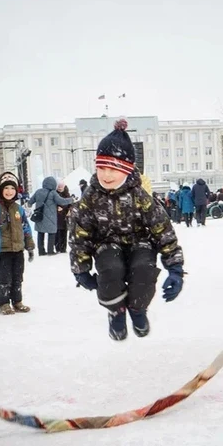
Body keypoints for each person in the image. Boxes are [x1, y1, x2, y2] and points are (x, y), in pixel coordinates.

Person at [69, 119, 185, 340]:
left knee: (143, 268)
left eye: (113, 169)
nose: (106, 175)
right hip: (106, 246)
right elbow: (79, 234)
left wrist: (175, 268)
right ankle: (116, 311)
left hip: (140, 244)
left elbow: (163, 231)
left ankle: (137, 309)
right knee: (111, 267)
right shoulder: (90, 198)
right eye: (102, 167)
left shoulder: (140, 196)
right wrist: (81, 269)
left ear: (127, 169)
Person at [0, 171, 35, 314]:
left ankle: (17, 301)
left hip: (18, 250)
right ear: (0, 189)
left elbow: (26, 227)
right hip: (3, 251)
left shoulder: (19, 209)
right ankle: (3, 303)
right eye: (6, 188)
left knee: (18, 277)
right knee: (5, 278)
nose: (9, 191)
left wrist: (29, 246)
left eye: (12, 188)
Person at [30, 176, 73, 255]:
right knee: (51, 233)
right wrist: (71, 199)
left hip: (40, 216)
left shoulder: (38, 192)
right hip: (51, 217)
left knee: (40, 233)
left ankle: (41, 251)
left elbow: (30, 201)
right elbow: (62, 201)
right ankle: (50, 251)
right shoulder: (53, 193)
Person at [55, 182, 73, 253]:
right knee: (57, 232)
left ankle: (63, 248)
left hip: (65, 216)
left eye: (61, 187)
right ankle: (57, 248)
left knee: (64, 232)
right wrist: (56, 208)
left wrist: (69, 210)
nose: (59, 189)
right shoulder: (55, 194)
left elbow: (70, 204)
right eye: (58, 187)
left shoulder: (67, 194)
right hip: (57, 216)